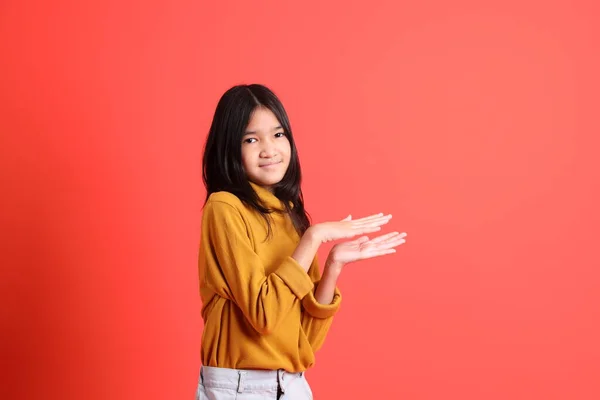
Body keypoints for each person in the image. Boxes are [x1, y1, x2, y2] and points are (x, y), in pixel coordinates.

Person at [196, 84, 407, 399]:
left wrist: (333, 264)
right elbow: (263, 315)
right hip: (240, 387)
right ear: (228, 148)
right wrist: (314, 236)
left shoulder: (289, 212)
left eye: (278, 135)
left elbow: (305, 341)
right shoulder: (225, 207)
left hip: (292, 384)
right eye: (251, 139)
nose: (270, 149)